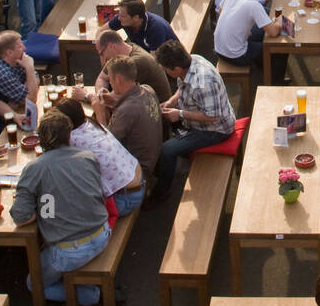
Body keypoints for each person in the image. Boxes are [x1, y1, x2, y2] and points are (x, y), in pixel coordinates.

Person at [9, 110, 110, 306]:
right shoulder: (87, 157)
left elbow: (20, 217)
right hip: (102, 234)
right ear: (68, 134)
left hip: (70, 251)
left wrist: (42, 210)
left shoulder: (35, 168)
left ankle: (89, 295)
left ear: (41, 139)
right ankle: (83, 285)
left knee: (33, 284)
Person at [153, 41, 235, 197]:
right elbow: (183, 86)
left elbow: (213, 116)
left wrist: (180, 114)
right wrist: (172, 101)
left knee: (167, 150)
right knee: (169, 123)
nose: (164, 72)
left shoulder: (204, 83)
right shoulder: (192, 60)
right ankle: (183, 149)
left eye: (165, 69)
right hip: (198, 119)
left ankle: (162, 192)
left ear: (176, 69)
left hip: (216, 130)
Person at [54, 96, 145, 217]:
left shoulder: (73, 139)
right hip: (137, 182)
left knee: (63, 203)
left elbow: (56, 163)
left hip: (124, 199)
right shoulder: (92, 123)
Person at [88, 55, 163, 187]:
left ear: (118, 79)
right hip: (153, 162)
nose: (110, 83)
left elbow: (106, 146)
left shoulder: (126, 111)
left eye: (110, 79)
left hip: (137, 172)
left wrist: (100, 112)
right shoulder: (147, 90)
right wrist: (113, 102)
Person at [214, 0, 284, 72]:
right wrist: (280, 21)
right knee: (278, 47)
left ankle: (262, 64)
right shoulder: (254, 5)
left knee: (261, 32)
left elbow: (220, 12)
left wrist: (241, 30)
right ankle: (275, 81)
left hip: (219, 48)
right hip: (236, 55)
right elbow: (273, 32)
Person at [87, 26, 172, 105]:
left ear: (111, 46)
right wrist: (100, 92)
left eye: (102, 53)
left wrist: (87, 96)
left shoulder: (136, 62)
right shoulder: (123, 51)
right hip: (139, 105)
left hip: (157, 112)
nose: (103, 58)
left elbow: (118, 99)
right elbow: (102, 78)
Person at [0, 30, 40, 109]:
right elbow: (31, 100)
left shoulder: (13, 57)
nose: (24, 48)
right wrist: (29, 68)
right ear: (9, 52)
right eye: (19, 47)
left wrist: (25, 93)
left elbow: (36, 78)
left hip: (8, 106)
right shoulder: (1, 73)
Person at [107, 0, 175, 53]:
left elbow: (154, 63)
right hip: (145, 53)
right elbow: (101, 31)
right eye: (119, 14)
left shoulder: (156, 29)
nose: (118, 18)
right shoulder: (122, 18)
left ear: (136, 18)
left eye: (122, 16)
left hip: (169, 61)